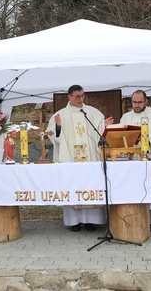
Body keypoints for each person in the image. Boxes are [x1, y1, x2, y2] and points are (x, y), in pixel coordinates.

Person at [46, 85, 112, 232]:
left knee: (90, 184)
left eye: (82, 96)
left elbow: (99, 133)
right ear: (69, 97)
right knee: (73, 185)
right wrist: (58, 126)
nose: (81, 99)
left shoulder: (92, 113)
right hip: (71, 159)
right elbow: (54, 137)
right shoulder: (60, 115)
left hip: (89, 158)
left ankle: (91, 221)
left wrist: (104, 126)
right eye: (77, 96)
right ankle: (74, 222)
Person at [119, 89, 151, 228]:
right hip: (131, 160)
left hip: (150, 159)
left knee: (150, 187)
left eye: (140, 102)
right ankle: (132, 218)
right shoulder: (126, 117)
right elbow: (121, 135)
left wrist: (143, 138)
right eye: (134, 102)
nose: (137, 105)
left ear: (146, 101)